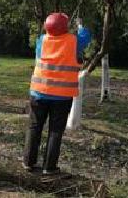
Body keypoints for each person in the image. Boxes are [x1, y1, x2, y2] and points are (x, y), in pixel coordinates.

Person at [23, 13, 91, 175]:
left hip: (38, 92)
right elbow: (86, 35)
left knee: (34, 127)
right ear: (65, 28)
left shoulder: (42, 40)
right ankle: (49, 167)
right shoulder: (74, 42)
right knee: (55, 131)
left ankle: (28, 162)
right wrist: (80, 25)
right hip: (61, 96)